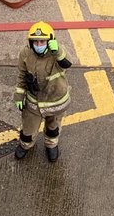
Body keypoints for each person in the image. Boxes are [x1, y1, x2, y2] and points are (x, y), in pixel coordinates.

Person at [14, 21, 72, 163]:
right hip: (34, 103)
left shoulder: (58, 52)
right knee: (28, 130)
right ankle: (25, 145)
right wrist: (19, 95)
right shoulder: (25, 53)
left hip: (56, 100)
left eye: (42, 41)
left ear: (50, 41)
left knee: (53, 128)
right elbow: (22, 75)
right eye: (36, 42)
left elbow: (68, 63)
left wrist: (57, 51)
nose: (39, 45)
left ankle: (51, 146)